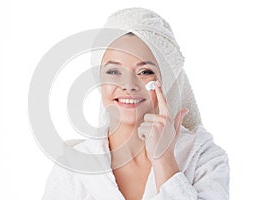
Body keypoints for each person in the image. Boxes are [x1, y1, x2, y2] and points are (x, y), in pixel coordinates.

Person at [42, 7, 229, 200]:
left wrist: (164, 161)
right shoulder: (74, 167)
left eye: (145, 72)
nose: (128, 85)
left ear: (167, 78)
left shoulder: (204, 157)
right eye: (113, 72)